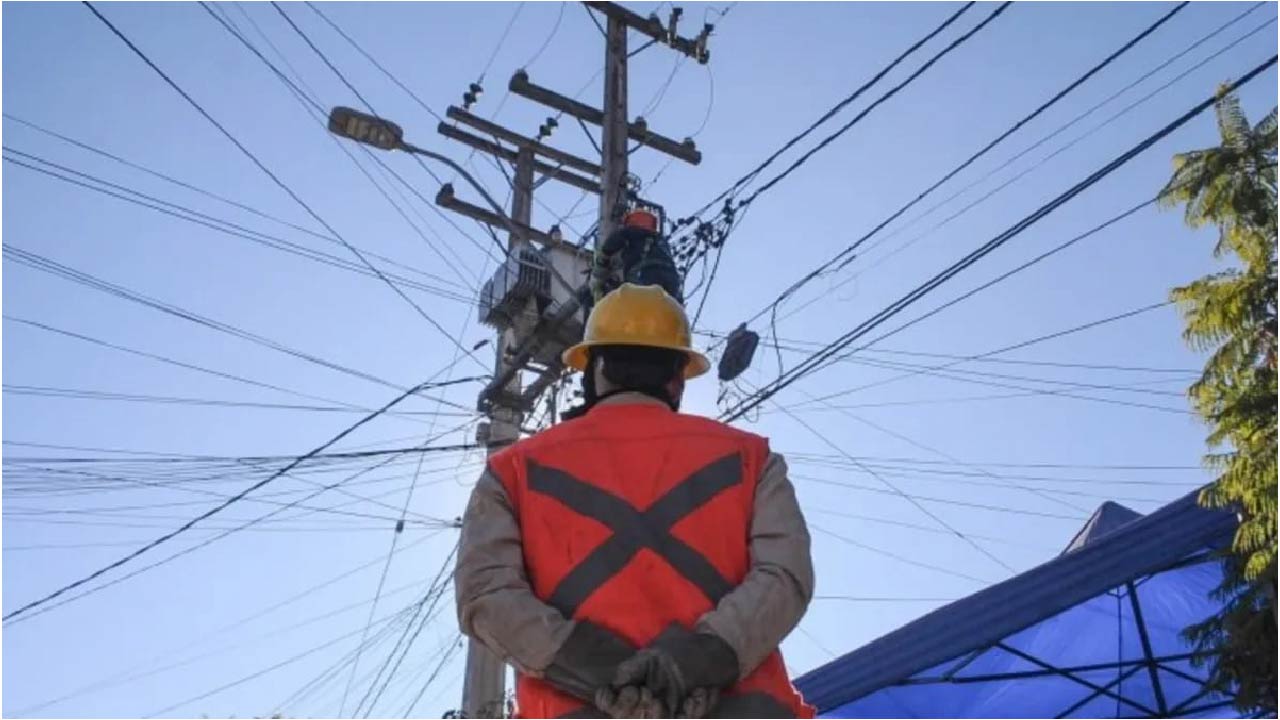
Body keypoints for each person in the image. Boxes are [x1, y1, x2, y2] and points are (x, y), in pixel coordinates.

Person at [456, 283, 815, 718]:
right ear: (677, 380)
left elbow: (487, 594)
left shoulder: (511, 471)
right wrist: (691, 664)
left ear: (594, 370)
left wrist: (613, 676)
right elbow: (785, 576)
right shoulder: (753, 459)